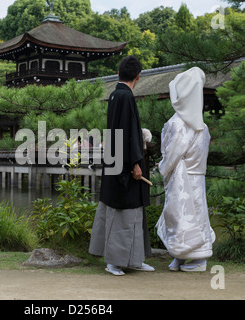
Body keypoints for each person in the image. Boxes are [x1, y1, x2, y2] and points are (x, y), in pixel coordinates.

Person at [89, 56, 154, 276]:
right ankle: (115, 262)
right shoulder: (125, 97)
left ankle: (135, 259)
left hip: (116, 161)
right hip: (125, 165)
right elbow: (126, 133)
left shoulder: (115, 95)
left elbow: (120, 133)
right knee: (123, 211)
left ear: (118, 74)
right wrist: (135, 163)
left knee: (128, 210)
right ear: (138, 76)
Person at [156, 67, 216, 272]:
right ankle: (181, 256)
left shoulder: (179, 123)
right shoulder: (201, 125)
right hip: (195, 177)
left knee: (181, 217)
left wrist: (163, 167)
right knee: (192, 216)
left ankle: (196, 259)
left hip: (183, 178)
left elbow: (172, 153)